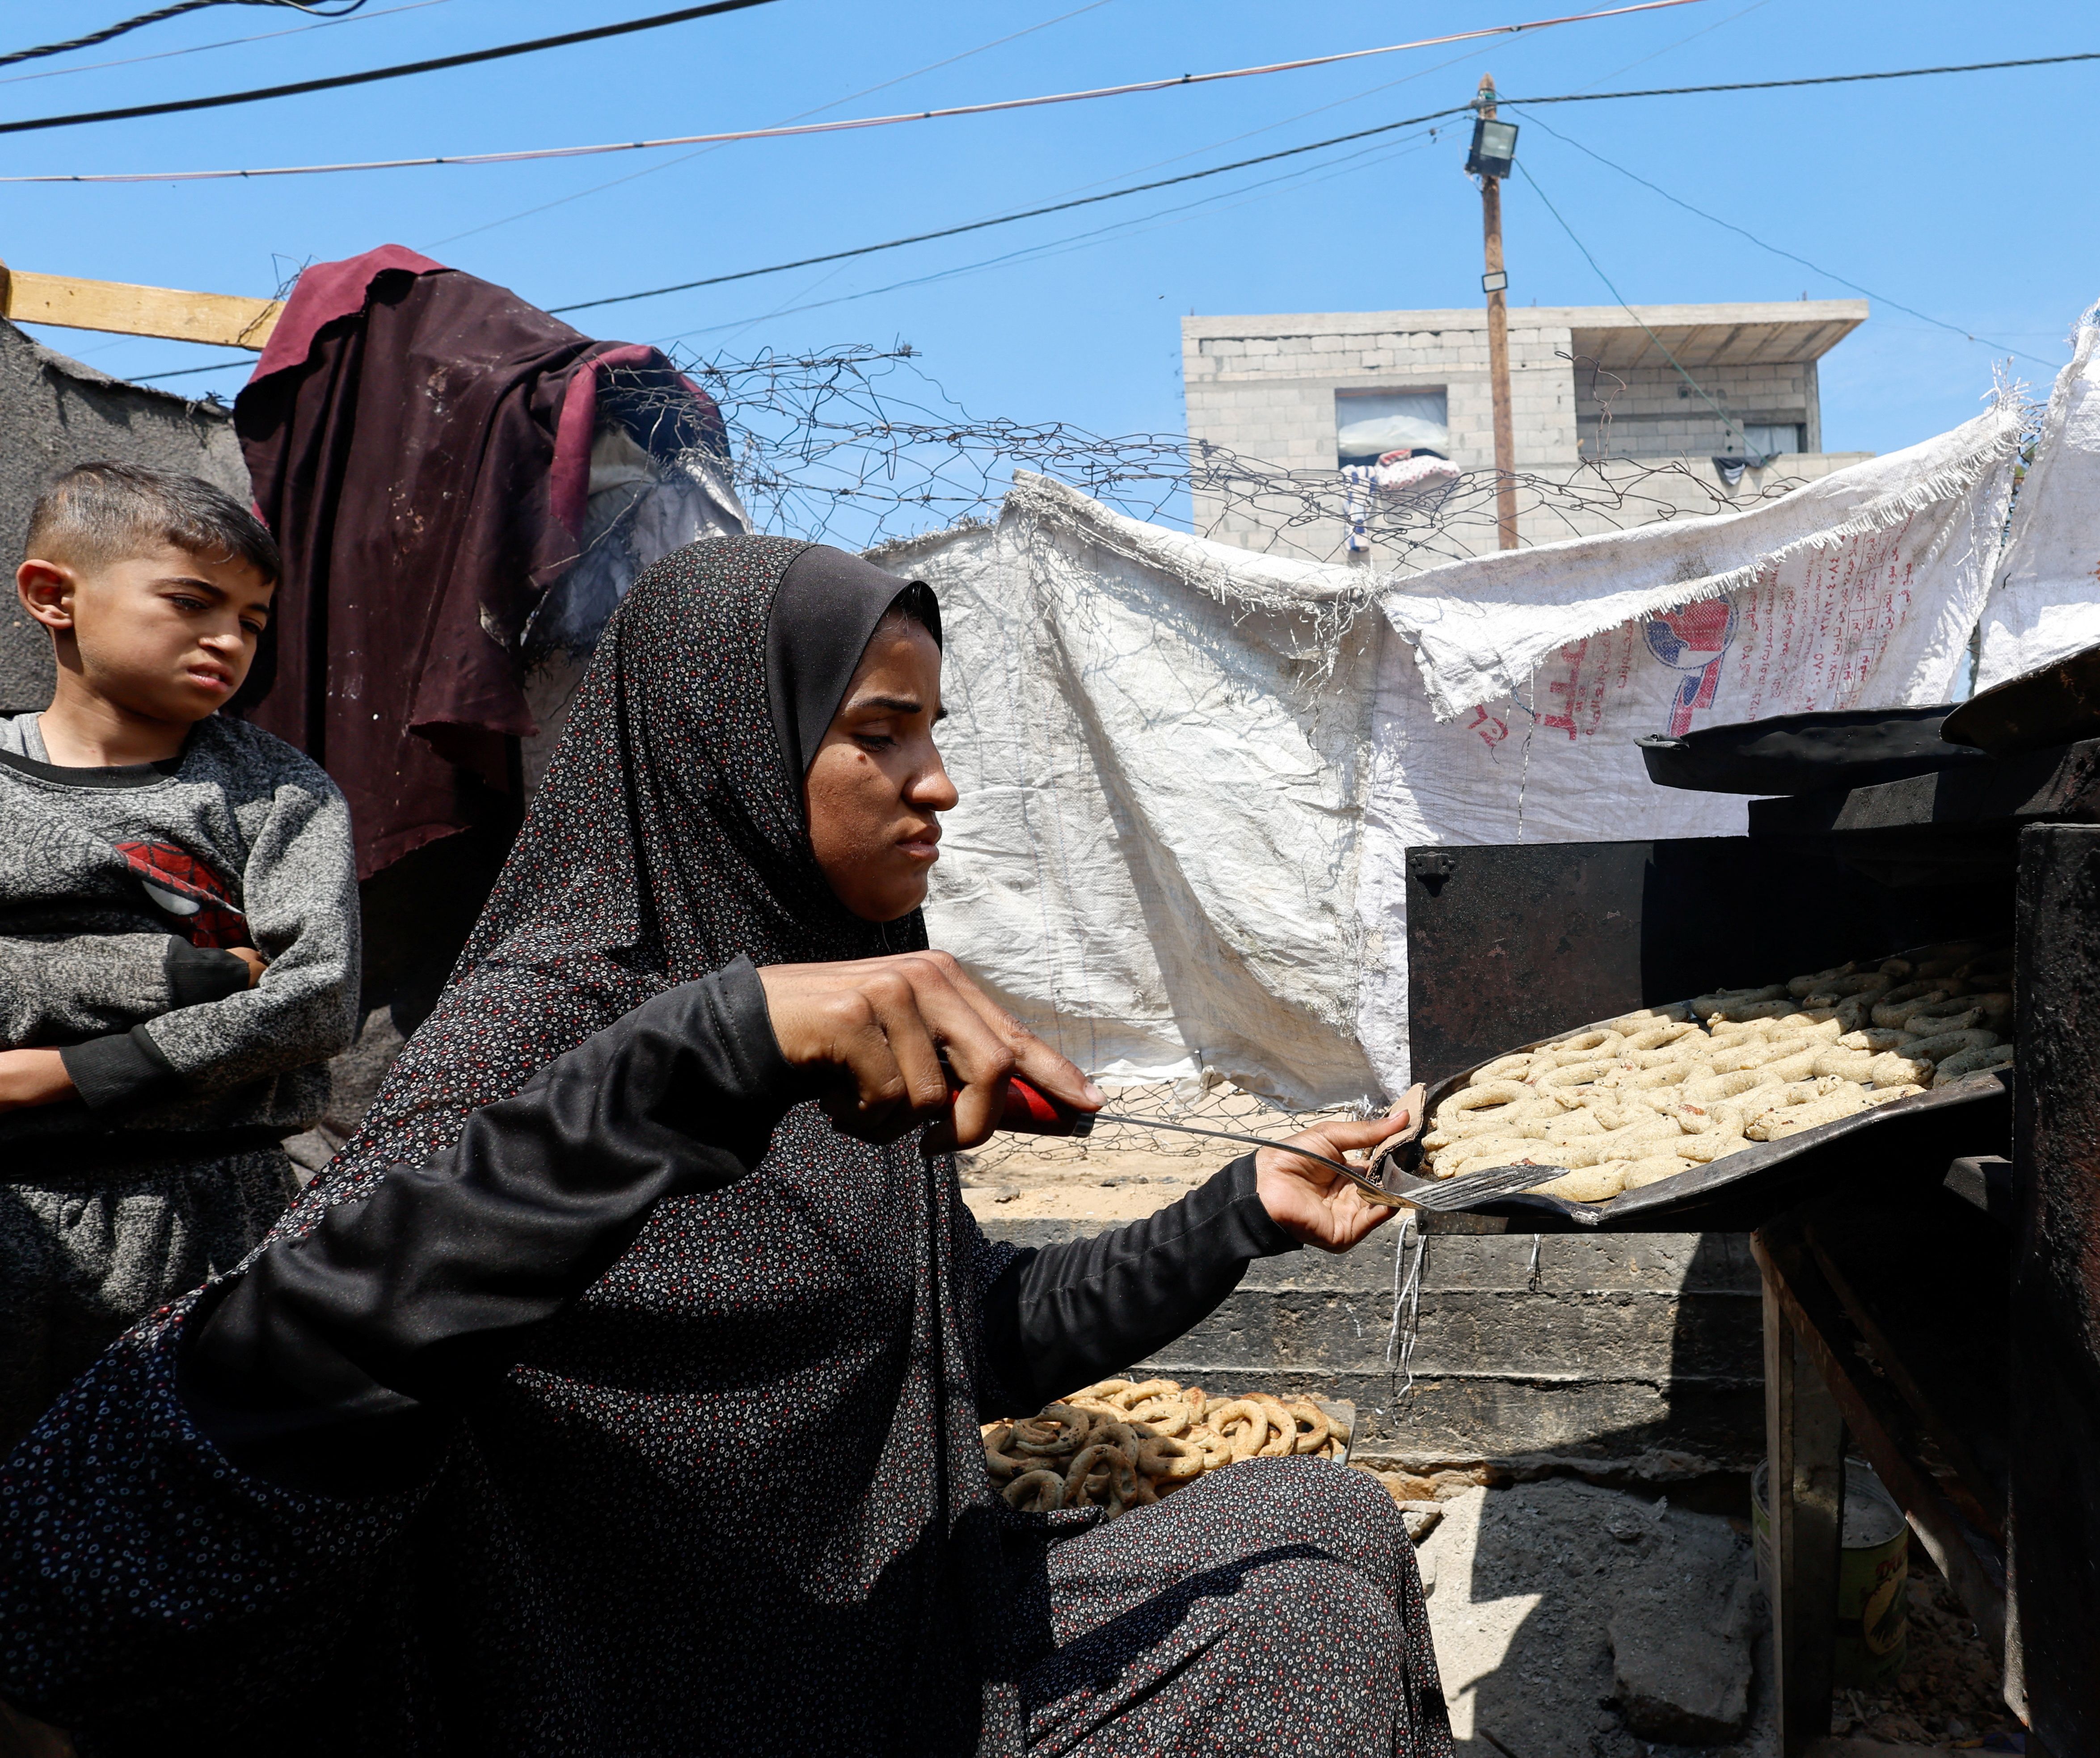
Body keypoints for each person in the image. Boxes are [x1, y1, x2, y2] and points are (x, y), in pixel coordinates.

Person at [0, 535, 1444, 1757]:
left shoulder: (845, 1003)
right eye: (879, 732)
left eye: (935, 732)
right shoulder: (566, 1021)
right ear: (728, 750)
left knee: (1323, 1524)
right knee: (1300, 1634)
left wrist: (1242, 1206)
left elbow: (958, 1340)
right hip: (642, 1699)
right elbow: (177, 1454)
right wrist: (689, 1068)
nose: (935, 781)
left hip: (876, 1651)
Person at [0, 460, 359, 1452]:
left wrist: (62, 1071)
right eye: (194, 602)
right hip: (14, 1211)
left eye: (252, 619)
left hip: (212, 1216)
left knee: (174, 1494)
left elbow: (314, 1000)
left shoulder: (279, 795)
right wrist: (180, 978)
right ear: (52, 596)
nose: (229, 641)